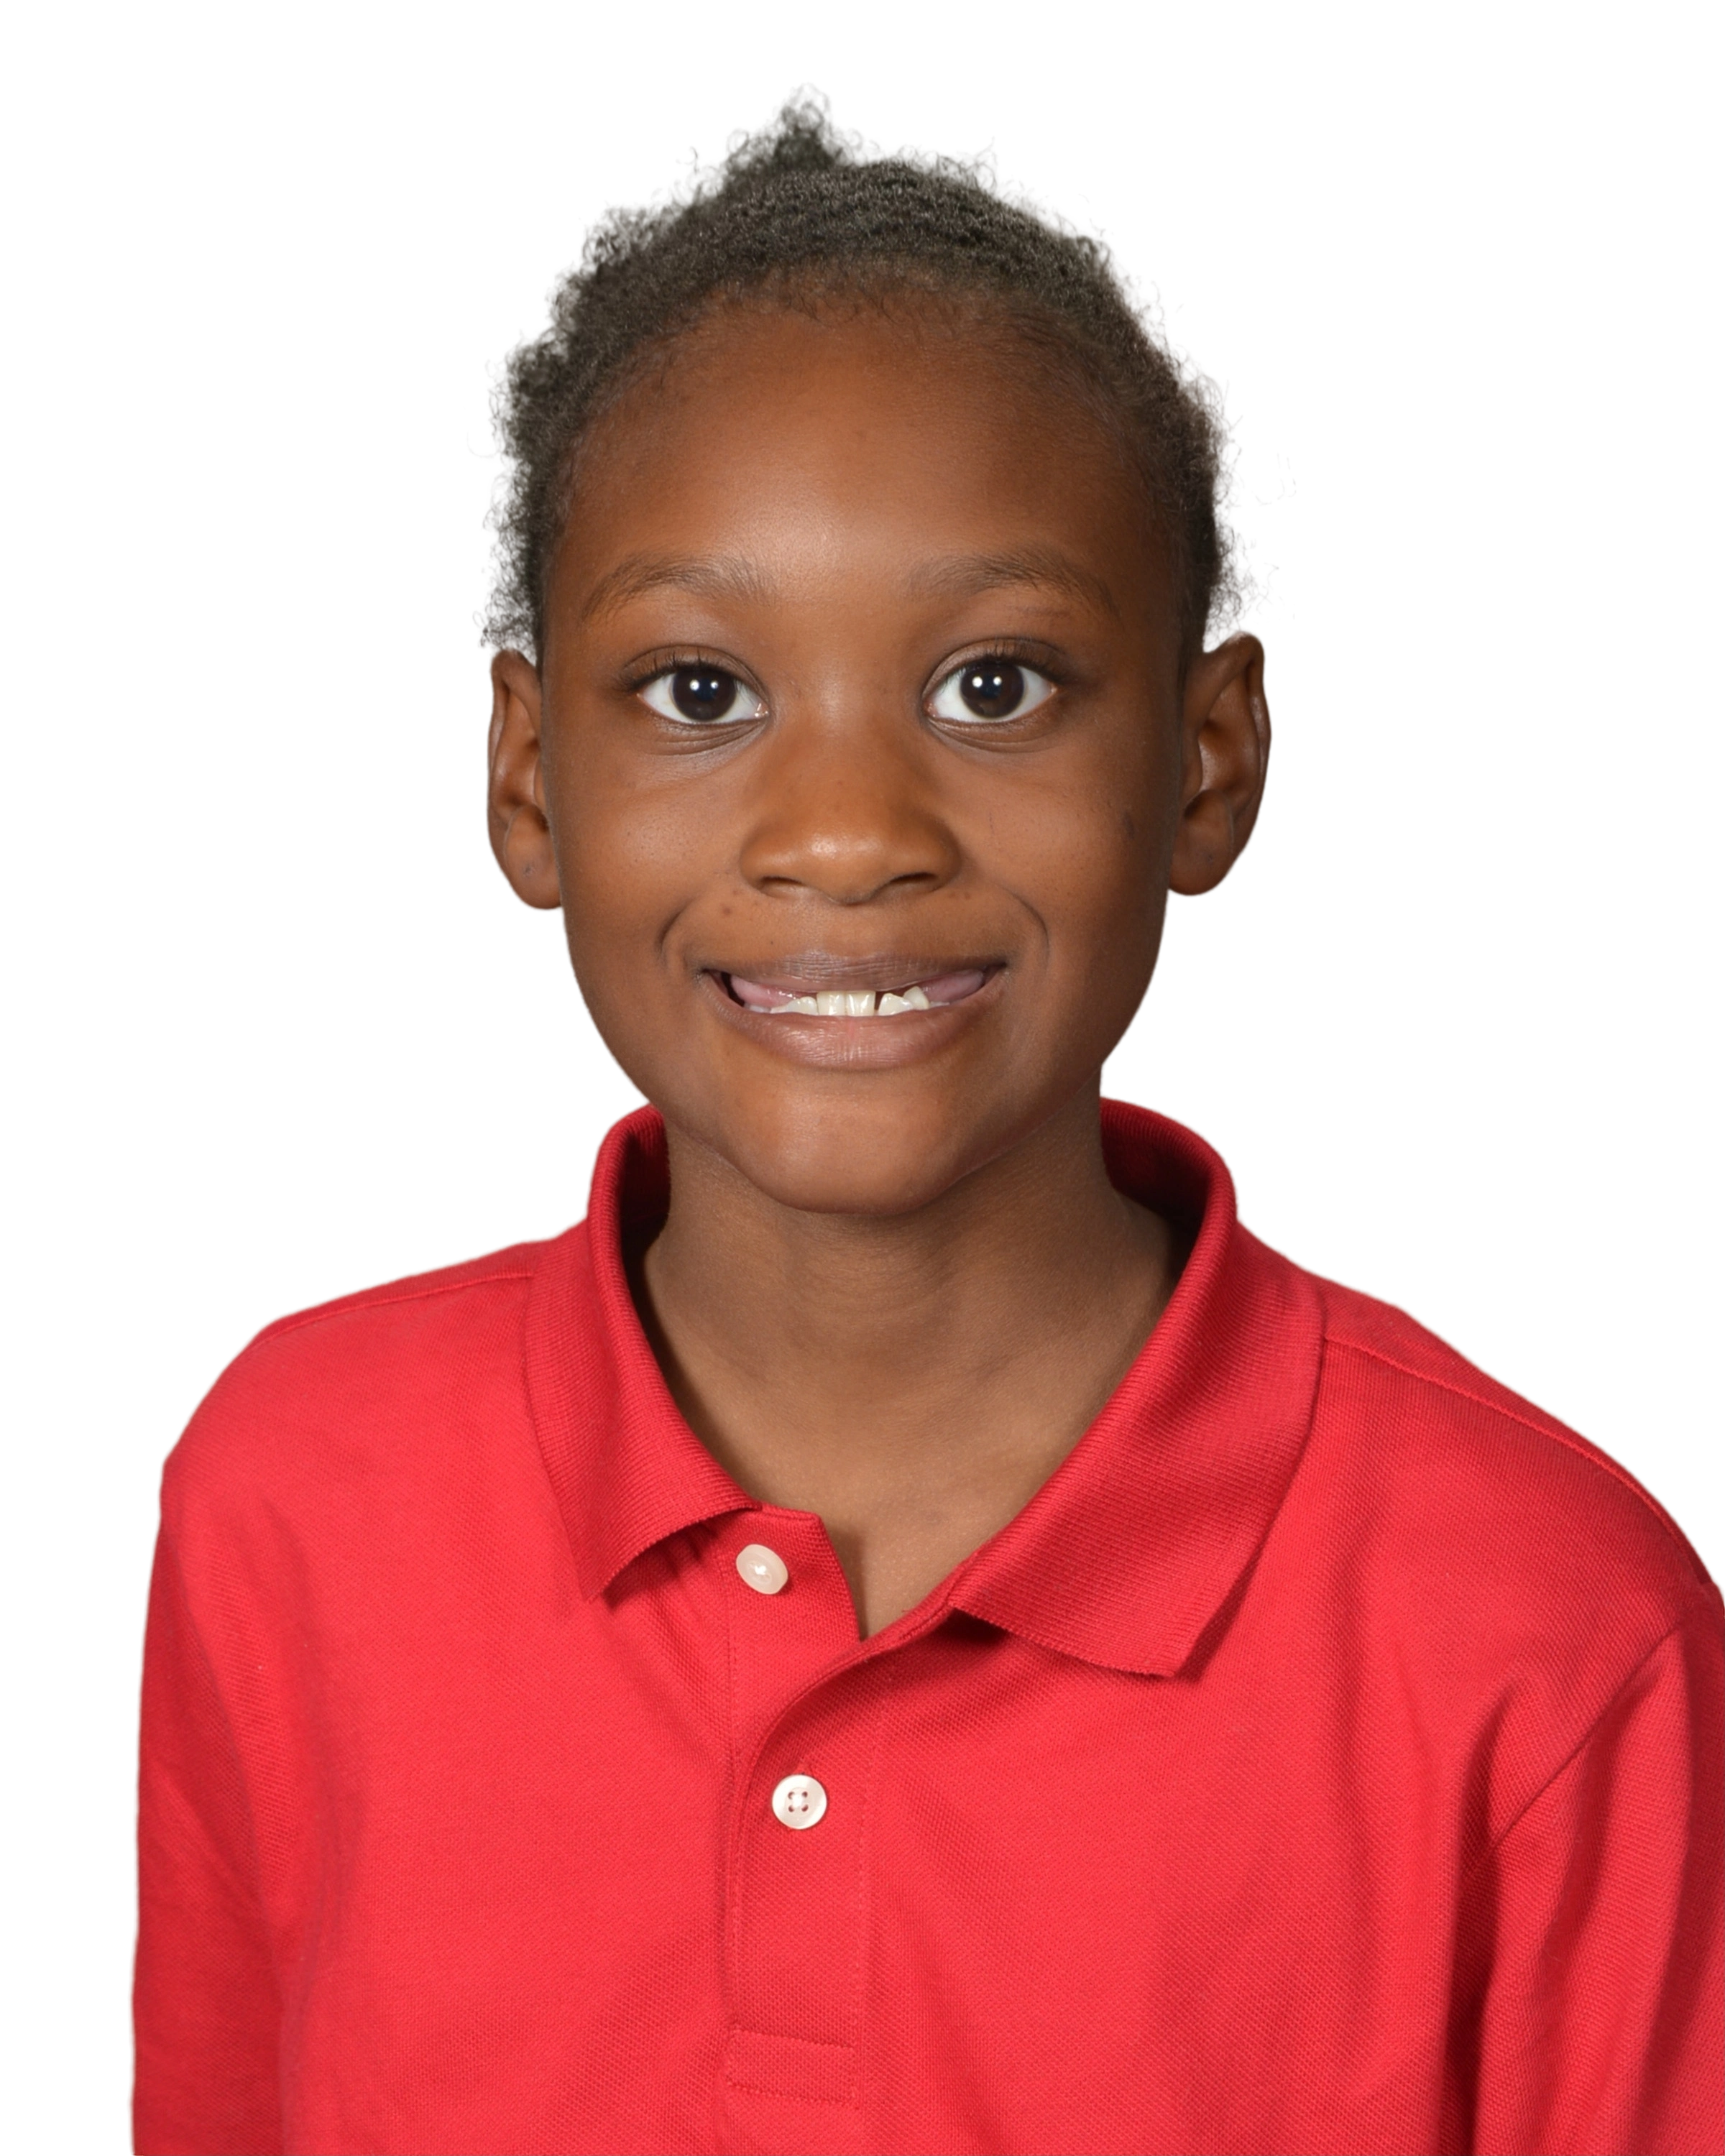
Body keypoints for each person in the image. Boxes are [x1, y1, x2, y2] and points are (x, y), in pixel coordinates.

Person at [127, 80, 1722, 2156]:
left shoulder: (1551, 1635)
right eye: (701, 692)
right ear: (525, 776)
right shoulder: (289, 1494)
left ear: (1210, 755)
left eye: (996, 686)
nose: (849, 833)